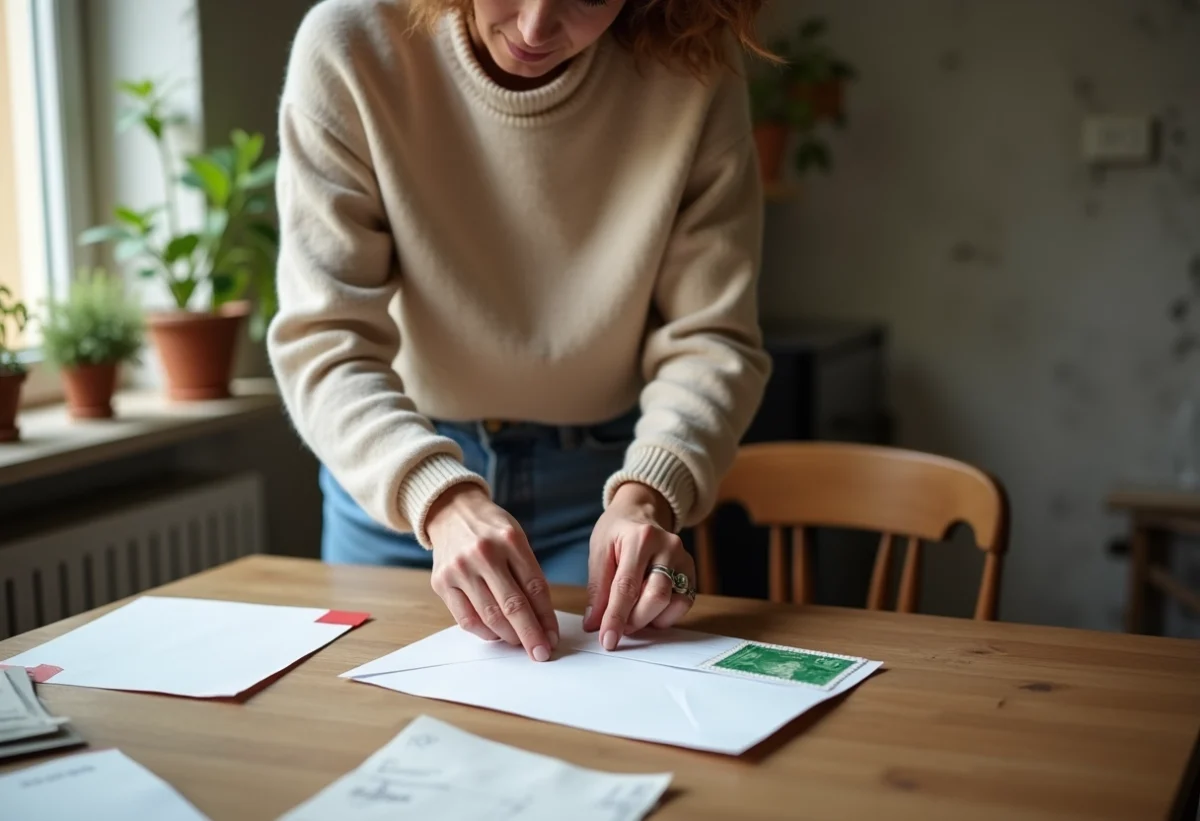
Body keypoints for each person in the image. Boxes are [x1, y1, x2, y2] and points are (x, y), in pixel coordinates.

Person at [268, 0, 773, 665]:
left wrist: (646, 496)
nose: (535, 28)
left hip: (603, 492)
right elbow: (326, 340)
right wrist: (441, 499)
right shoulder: (352, 43)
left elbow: (713, 337)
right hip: (398, 486)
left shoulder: (692, 63)